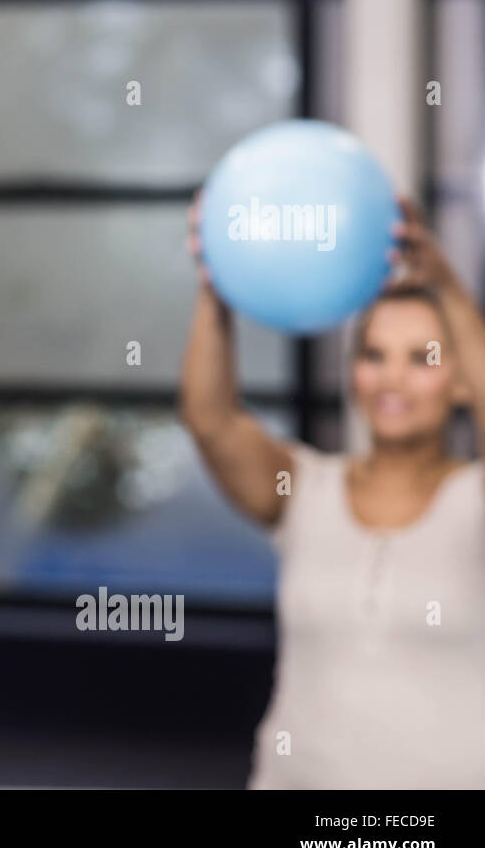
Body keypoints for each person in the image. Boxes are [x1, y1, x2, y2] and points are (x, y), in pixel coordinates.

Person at [180, 194, 485, 788]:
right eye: (374, 355)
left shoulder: (474, 501)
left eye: (422, 358)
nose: (392, 377)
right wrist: (219, 289)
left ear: (462, 385)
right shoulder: (305, 488)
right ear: (352, 374)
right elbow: (211, 420)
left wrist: (448, 289)